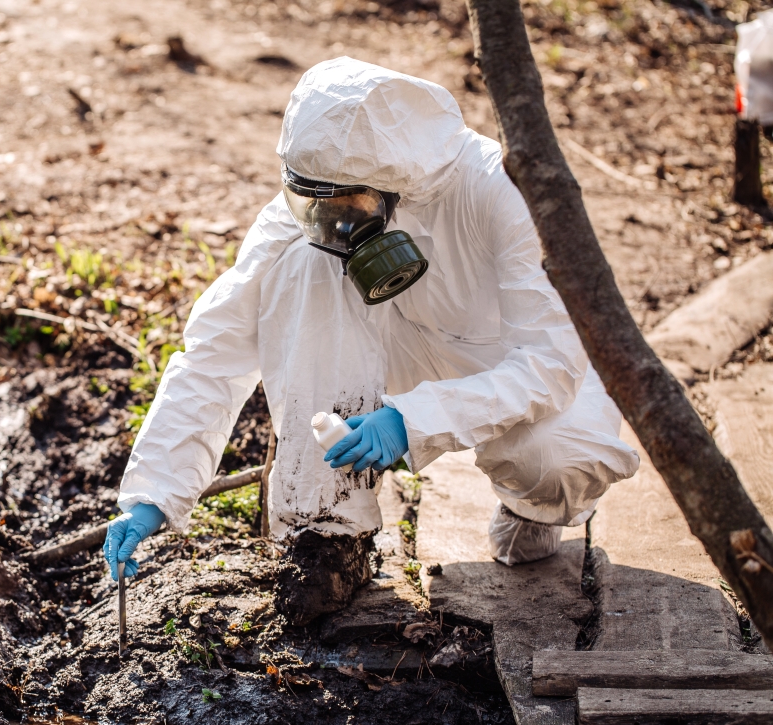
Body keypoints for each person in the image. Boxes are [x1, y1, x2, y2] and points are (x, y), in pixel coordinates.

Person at [103, 58, 640, 625]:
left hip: (511, 366)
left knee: (556, 464)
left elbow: (552, 362)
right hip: (397, 352)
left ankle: (528, 510)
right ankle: (326, 532)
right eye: (313, 205)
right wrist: (154, 493)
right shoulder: (326, 191)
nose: (327, 221)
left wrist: (414, 421)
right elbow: (215, 348)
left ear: (396, 187)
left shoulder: (499, 189)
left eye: (344, 208)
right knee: (301, 267)